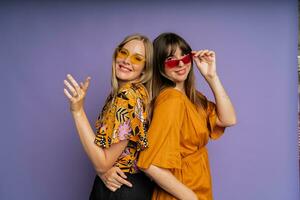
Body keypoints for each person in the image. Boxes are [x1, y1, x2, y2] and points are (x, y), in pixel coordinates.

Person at [135, 32, 237, 200]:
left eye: (185, 56)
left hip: (199, 182)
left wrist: (212, 77)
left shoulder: (194, 97)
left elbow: (228, 119)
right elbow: (149, 164)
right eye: (171, 60)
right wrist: (190, 197)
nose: (181, 63)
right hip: (181, 190)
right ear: (160, 66)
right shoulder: (171, 100)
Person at [63, 34, 154, 200]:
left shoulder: (127, 97)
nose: (127, 60)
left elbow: (103, 162)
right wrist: (104, 170)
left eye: (137, 58)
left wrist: (78, 111)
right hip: (129, 187)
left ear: (145, 69)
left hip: (120, 189)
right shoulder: (132, 92)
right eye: (123, 52)